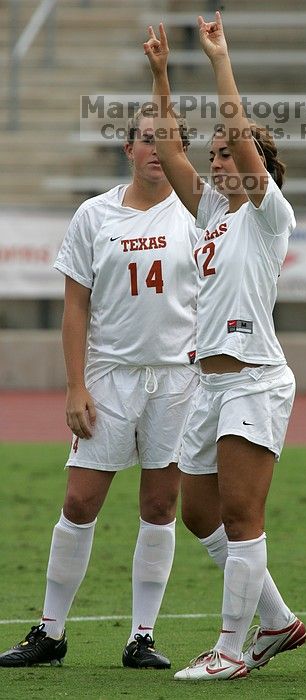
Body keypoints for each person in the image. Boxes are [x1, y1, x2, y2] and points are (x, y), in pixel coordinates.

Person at [0, 106, 199, 669]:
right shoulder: (94, 216)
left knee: (160, 505)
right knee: (79, 501)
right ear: (128, 150)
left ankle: (142, 637)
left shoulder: (196, 213)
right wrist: (74, 386)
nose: (157, 150)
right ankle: (50, 631)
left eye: (169, 141)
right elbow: (75, 305)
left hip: (176, 379)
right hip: (110, 376)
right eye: (146, 140)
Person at [144, 13, 306, 681]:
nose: (219, 160)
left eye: (230, 154)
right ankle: (277, 622)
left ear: (258, 167)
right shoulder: (212, 214)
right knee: (200, 514)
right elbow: (172, 149)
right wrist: (159, 75)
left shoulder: (270, 217)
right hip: (208, 385)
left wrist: (218, 60)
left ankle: (232, 650)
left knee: (242, 515)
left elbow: (238, 134)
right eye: (215, 155)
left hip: (253, 380)